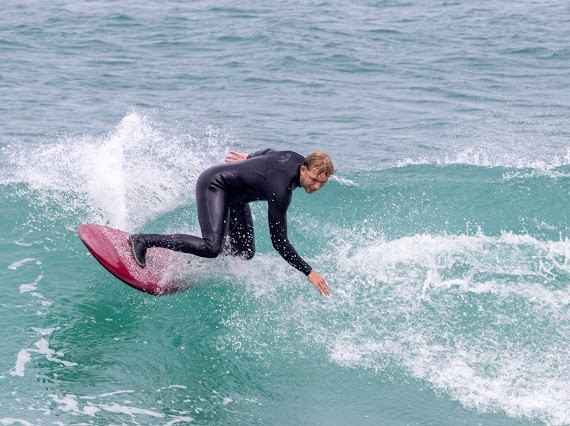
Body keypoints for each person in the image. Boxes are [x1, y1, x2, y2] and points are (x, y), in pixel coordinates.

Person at [129, 148, 336, 296]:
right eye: (314, 180)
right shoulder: (281, 191)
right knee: (211, 247)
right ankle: (143, 240)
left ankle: (191, 259)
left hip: (236, 197)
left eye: (322, 183)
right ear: (303, 169)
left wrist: (250, 158)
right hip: (215, 184)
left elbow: (270, 153)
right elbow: (279, 242)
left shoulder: (294, 157)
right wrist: (308, 271)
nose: (316, 186)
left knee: (244, 252)